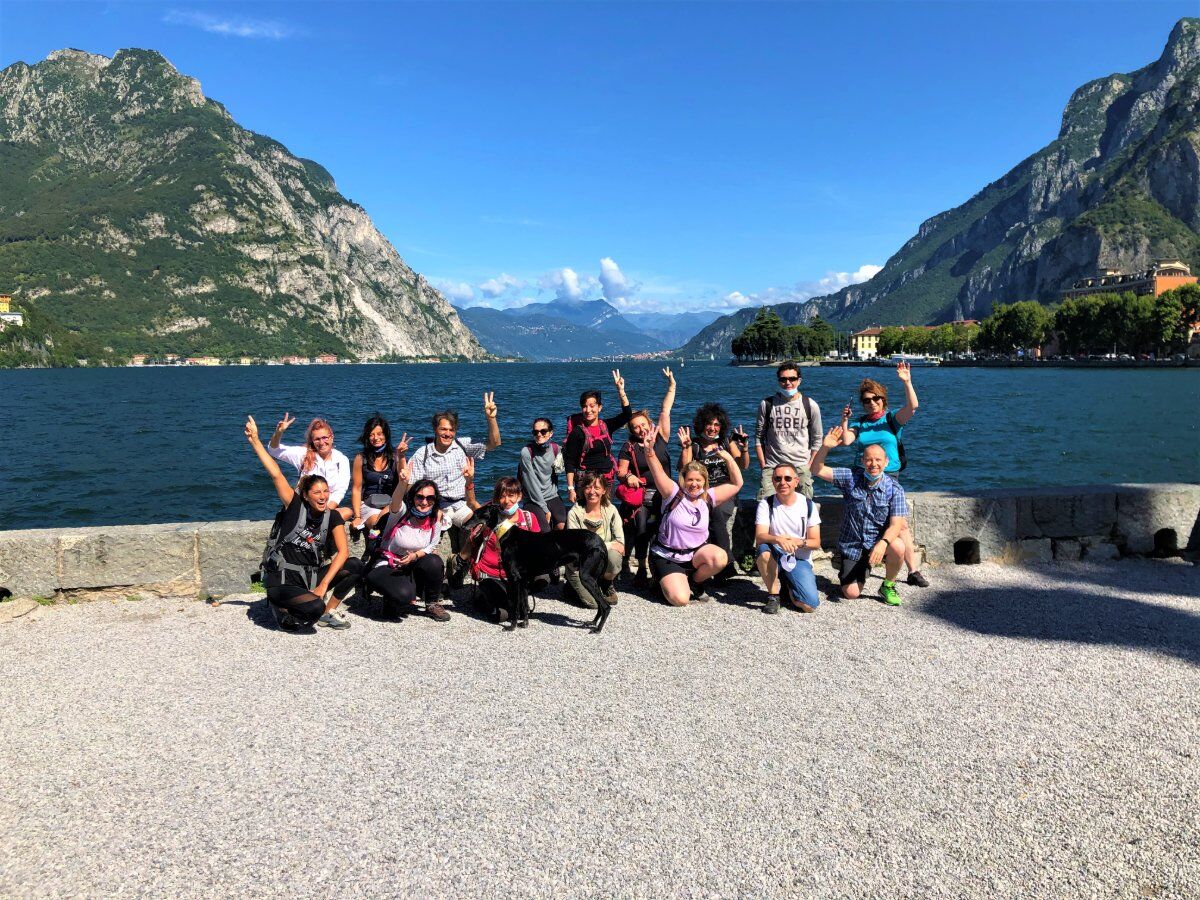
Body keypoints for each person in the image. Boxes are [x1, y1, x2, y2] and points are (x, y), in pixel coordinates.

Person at [245, 415, 358, 631]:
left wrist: (323, 585)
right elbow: (276, 473)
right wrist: (255, 441)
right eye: (317, 492)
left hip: (309, 576)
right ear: (305, 495)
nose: (323, 496)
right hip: (284, 578)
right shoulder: (295, 506)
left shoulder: (330, 514)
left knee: (354, 566)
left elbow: (343, 552)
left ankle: (327, 611)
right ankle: (280, 608)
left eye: (326, 492)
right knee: (313, 608)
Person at [838, 361, 928, 588]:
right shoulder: (860, 423)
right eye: (866, 400)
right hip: (864, 475)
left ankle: (913, 570)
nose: (871, 403)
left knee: (901, 525)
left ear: (883, 399)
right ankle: (870, 560)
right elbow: (847, 440)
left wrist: (907, 381)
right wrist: (845, 420)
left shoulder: (892, 420)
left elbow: (913, 406)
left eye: (875, 398)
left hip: (890, 475)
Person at [809, 426, 910, 606]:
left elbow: (896, 525)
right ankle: (855, 565)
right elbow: (817, 470)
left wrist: (883, 543)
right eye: (869, 460)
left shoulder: (894, 489)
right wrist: (825, 447)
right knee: (851, 594)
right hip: (852, 546)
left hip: (876, 543)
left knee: (899, 546)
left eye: (878, 460)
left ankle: (888, 584)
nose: (874, 464)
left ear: (886, 462)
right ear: (862, 461)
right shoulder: (850, 478)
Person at [640, 432, 743, 606]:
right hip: (668, 556)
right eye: (690, 480)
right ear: (683, 480)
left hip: (694, 555)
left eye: (698, 480)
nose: (694, 484)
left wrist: (728, 458)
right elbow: (657, 472)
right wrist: (649, 451)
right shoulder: (672, 493)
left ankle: (694, 582)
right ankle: (660, 581)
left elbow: (736, 483)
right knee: (680, 600)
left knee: (720, 557)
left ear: (704, 481)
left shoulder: (708, 497)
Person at [409, 392, 502, 569]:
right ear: (435, 429)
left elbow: (494, 443)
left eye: (451, 430)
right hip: (434, 507)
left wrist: (491, 418)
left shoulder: (461, 445)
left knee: (483, 525)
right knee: (430, 544)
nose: (448, 433)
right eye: (443, 429)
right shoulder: (424, 453)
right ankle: (438, 577)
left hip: (460, 505)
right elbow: (412, 487)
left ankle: (460, 560)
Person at [363, 462, 449, 622]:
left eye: (430, 498)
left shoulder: (435, 517)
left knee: (435, 561)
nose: (424, 502)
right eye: (420, 497)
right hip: (387, 564)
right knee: (404, 596)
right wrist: (402, 483)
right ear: (413, 497)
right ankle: (392, 598)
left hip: (411, 563)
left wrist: (415, 556)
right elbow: (395, 502)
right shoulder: (402, 513)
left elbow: (432, 546)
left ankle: (432, 604)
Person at [614, 367, 675, 587]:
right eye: (635, 427)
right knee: (641, 529)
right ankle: (641, 567)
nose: (641, 429)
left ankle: (665, 567)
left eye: (643, 425)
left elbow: (665, 410)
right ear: (631, 430)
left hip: (666, 494)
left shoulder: (661, 438)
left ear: (650, 424)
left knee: (666, 529)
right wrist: (628, 476)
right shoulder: (628, 447)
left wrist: (671, 386)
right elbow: (620, 472)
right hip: (642, 497)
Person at [462, 476, 542, 623]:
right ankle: (484, 596)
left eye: (511, 495)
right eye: (502, 496)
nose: (506, 501)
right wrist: (469, 481)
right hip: (491, 573)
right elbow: (472, 503)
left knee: (544, 576)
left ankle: (515, 597)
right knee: (503, 616)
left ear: (519, 496)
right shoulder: (490, 517)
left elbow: (537, 548)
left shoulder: (529, 518)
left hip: (515, 574)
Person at [678, 402, 750, 561]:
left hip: (725, 490)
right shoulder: (694, 445)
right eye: (709, 424)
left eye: (716, 425)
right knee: (711, 512)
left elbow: (743, 465)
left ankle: (721, 561)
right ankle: (721, 561)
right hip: (701, 493)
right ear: (702, 425)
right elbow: (684, 470)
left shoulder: (726, 442)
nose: (712, 428)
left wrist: (744, 449)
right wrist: (685, 448)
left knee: (717, 511)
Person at [755, 463, 822, 614]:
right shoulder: (766, 504)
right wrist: (779, 539)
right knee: (763, 552)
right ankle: (773, 595)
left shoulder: (807, 505)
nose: (782, 482)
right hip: (774, 553)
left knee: (809, 606)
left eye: (787, 478)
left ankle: (787, 585)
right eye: (778, 479)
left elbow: (816, 542)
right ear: (772, 481)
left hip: (798, 558)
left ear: (796, 481)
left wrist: (798, 542)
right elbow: (760, 536)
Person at [754, 361, 822, 501]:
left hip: (801, 465)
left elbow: (817, 439)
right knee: (766, 506)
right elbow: (759, 437)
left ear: (799, 380)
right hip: (772, 466)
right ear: (778, 381)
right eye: (783, 379)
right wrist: (763, 465)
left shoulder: (810, 405)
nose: (788, 382)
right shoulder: (766, 405)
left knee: (803, 507)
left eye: (792, 379)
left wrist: (809, 466)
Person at [268, 413, 352, 519]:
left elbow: (340, 490)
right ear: (312, 441)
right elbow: (274, 450)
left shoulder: (341, 460)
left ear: (331, 438)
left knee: (348, 512)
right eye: (317, 439)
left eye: (325, 437)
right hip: (303, 507)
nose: (321, 442)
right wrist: (278, 433)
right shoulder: (303, 454)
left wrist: (323, 513)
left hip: (327, 507)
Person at [564, 370, 632, 499]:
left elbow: (627, 415)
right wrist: (571, 489)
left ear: (600, 407)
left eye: (592, 406)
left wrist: (621, 391)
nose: (588, 410)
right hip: (586, 484)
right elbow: (570, 462)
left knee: (606, 516)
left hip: (607, 482)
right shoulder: (577, 432)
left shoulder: (606, 426)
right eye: (584, 406)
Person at [565, 470, 625, 606]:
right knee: (594, 604)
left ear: (604, 490)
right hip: (578, 565)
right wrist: (608, 545)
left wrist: (607, 547)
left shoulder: (611, 510)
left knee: (615, 557)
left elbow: (620, 543)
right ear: (583, 490)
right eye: (588, 487)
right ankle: (572, 586)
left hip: (598, 561)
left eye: (597, 488)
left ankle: (605, 582)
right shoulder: (574, 513)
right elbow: (576, 548)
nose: (592, 492)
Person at [350, 413, 410, 538]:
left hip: (392, 504)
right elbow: (356, 488)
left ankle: (374, 546)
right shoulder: (361, 458)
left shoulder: (395, 456)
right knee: (375, 522)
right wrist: (357, 516)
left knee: (386, 517)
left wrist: (401, 456)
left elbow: (403, 480)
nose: (375, 438)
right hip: (368, 504)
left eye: (379, 433)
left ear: (386, 435)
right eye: (371, 434)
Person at [517, 417, 566, 530]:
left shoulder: (556, 449)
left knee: (562, 524)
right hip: (533, 499)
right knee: (545, 530)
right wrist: (545, 509)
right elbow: (531, 484)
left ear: (550, 433)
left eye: (543, 431)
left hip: (552, 496)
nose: (539, 434)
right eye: (536, 432)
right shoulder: (526, 452)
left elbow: (561, 470)